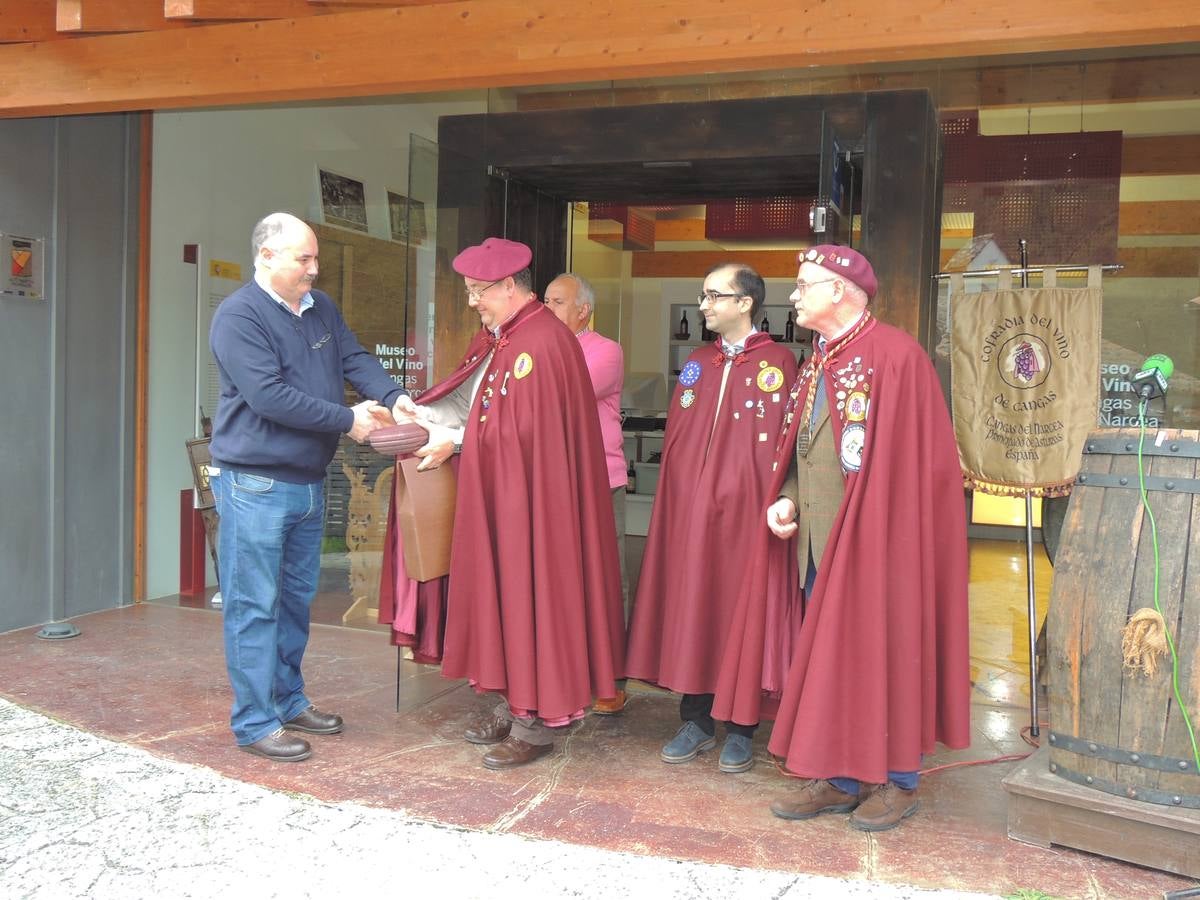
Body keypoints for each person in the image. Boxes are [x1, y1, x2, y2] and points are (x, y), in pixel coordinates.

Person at [715, 245, 970, 830]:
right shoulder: (818, 361)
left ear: (842, 292)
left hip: (882, 547)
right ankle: (842, 776)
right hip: (819, 544)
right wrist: (788, 498)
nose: (795, 294)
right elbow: (805, 454)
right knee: (834, 660)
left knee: (886, 654)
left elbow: (920, 472)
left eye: (805, 285)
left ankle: (898, 781)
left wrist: (885, 535)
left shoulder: (897, 358)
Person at [396, 238, 625, 770]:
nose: (474, 301)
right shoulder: (504, 339)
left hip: (537, 510)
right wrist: (424, 415)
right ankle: (513, 698)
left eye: (479, 292)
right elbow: (480, 406)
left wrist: (457, 440)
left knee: (534, 597)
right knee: (507, 599)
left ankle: (539, 721)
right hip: (503, 499)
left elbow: (529, 435)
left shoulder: (542, 343)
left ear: (507, 287)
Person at [208, 211, 407, 762]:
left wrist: (393, 397)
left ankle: (289, 700)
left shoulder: (321, 309)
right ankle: (254, 723)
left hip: (307, 483)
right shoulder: (238, 317)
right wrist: (350, 421)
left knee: (295, 603)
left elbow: (353, 357)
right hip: (255, 486)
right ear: (266, 256)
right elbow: (269, 397)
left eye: (315, 258)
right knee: (253, 606)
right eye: (304, 259)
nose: (314, 269)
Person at [625, 263, 797, 774]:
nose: (703, 305)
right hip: (691, 517)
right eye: (702, 296)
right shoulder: (698, 363)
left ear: (745, 303)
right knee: (693, 606)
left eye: (713, 296)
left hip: (747, 518)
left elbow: (784, 452)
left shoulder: (781, 364)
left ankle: (741, 727)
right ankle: (696, 720)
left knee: (740, 614)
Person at [543, 272, 630, 715]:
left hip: (600, 480)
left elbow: (559, 395)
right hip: (555, 483)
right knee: (561, 577)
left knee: (605, 577)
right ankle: (568, 671)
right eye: (545, 300)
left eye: (558, 302)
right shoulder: (538, 350)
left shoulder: (605, 351)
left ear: (584, 310)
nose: (547, 309)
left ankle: (612, 679)